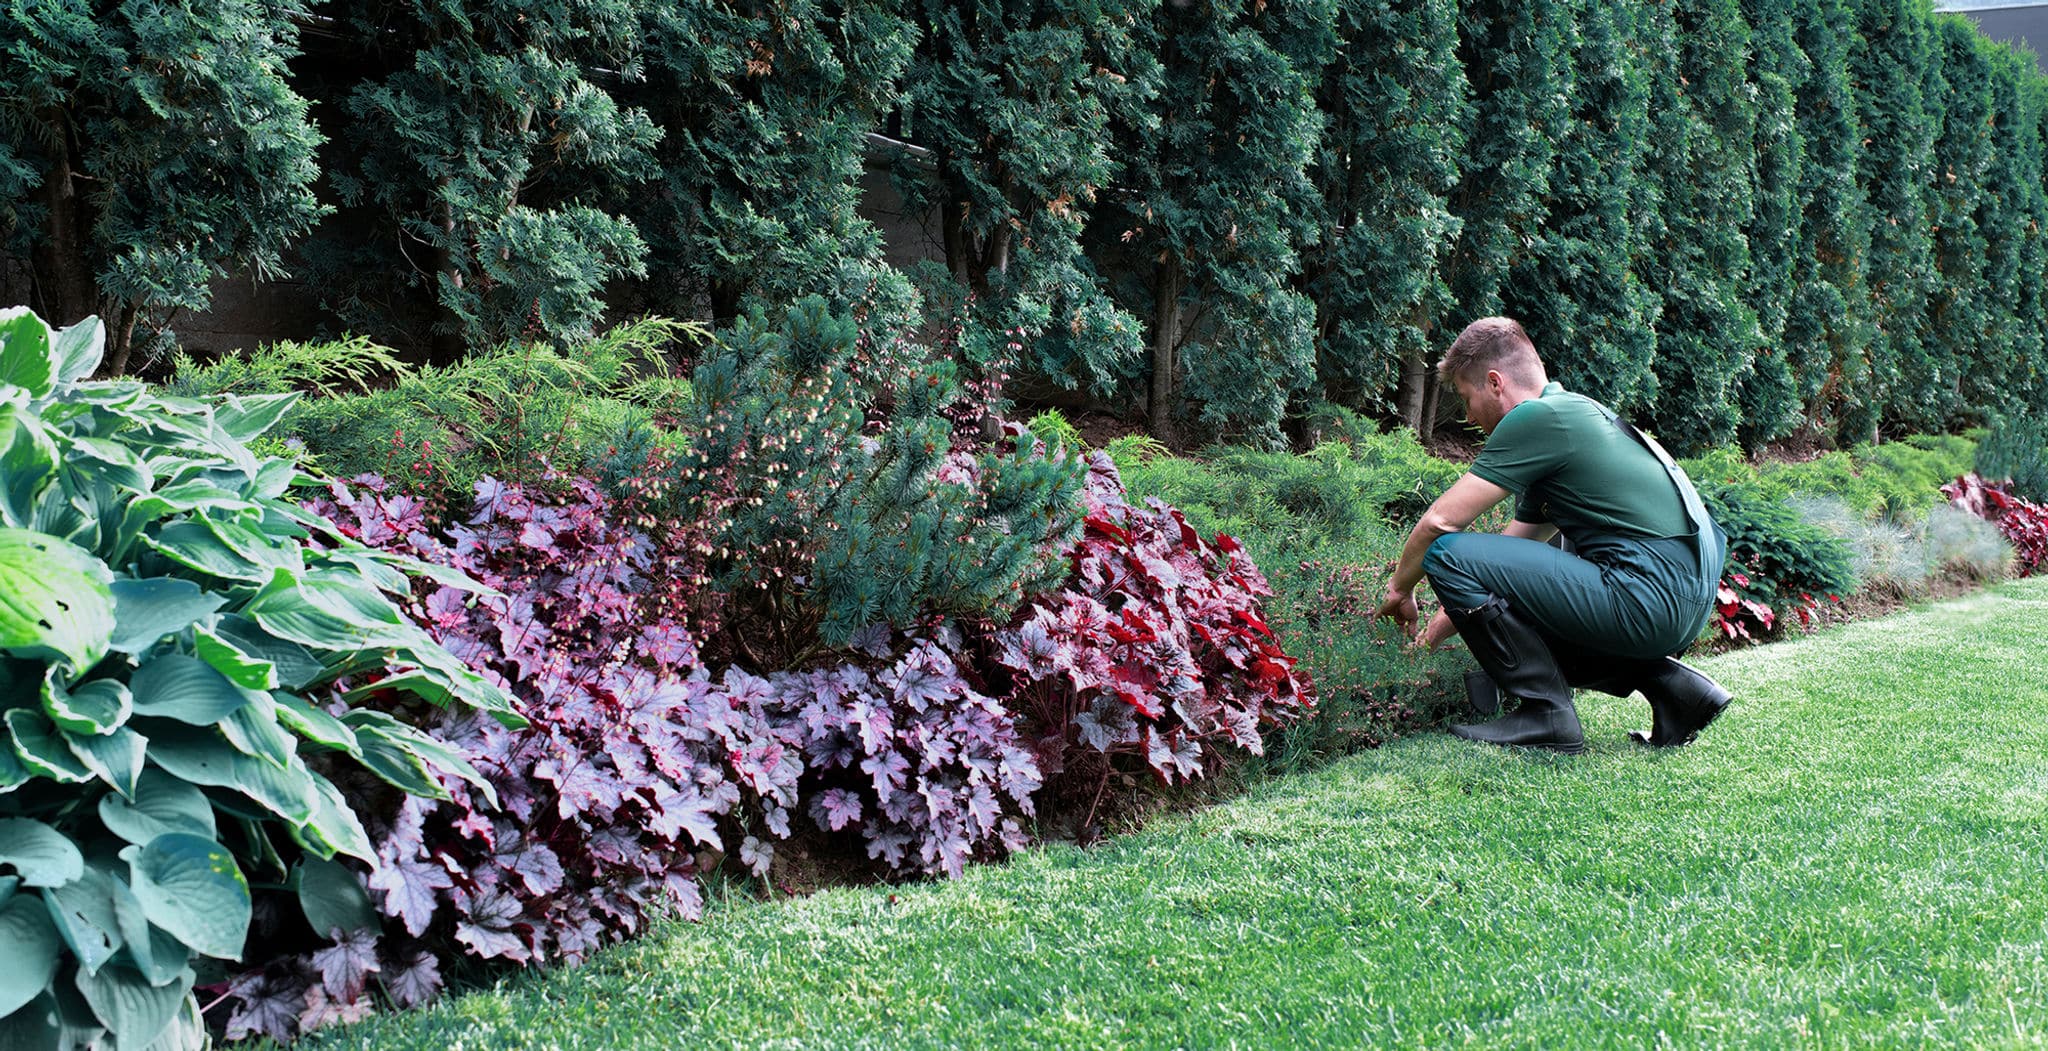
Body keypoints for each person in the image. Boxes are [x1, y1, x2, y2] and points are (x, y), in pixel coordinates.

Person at [1372, 317, 1732, 754]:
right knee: (1518, 588)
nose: (1467, 416)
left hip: (1648, 595)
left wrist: (1399, 589)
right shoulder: (1573, 414)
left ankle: (1545, 713)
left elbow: (1439, 524)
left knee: (1446, 553)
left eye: (1467, 400)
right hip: (1684, 599)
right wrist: (1437, 629)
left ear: (1495, 383)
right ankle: (1673, 688)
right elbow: (1512, 555)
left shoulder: (1537, 419)